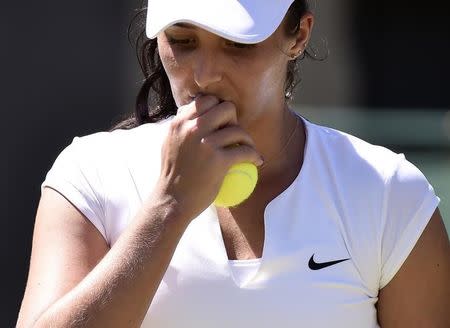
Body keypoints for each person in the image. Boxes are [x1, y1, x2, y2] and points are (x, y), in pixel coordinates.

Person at [17, 0, 449, 327]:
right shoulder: (88, 175)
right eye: (182, 41)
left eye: (237, 44)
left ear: (298, 36)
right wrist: (169, 207)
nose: (204, 75)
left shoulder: (390, 193)